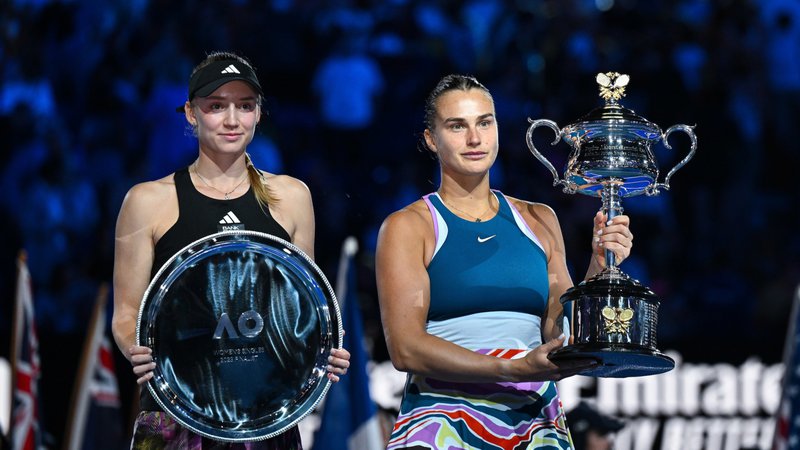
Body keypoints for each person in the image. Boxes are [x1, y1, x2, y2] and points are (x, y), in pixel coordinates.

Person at [375, 74, 634, 449]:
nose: (475, 139)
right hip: (444, 428)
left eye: (485, 121)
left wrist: (598, 265)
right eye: (457, 126)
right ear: (431, 139)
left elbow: (561, 334)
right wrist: (510, 368)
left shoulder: (539, 218)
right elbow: (406, 348)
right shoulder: (408, 227)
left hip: (534, 427)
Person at [111, 51, 351, 449]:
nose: (231, 119)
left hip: (264, 415)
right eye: (216, 106)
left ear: (258, 114)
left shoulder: (292, 197)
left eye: (244, 106)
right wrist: (136, 350)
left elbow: (297, 309)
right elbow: (125, 313)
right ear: (191, 113)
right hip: (177, 409)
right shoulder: (147, 201)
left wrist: (321, 349)